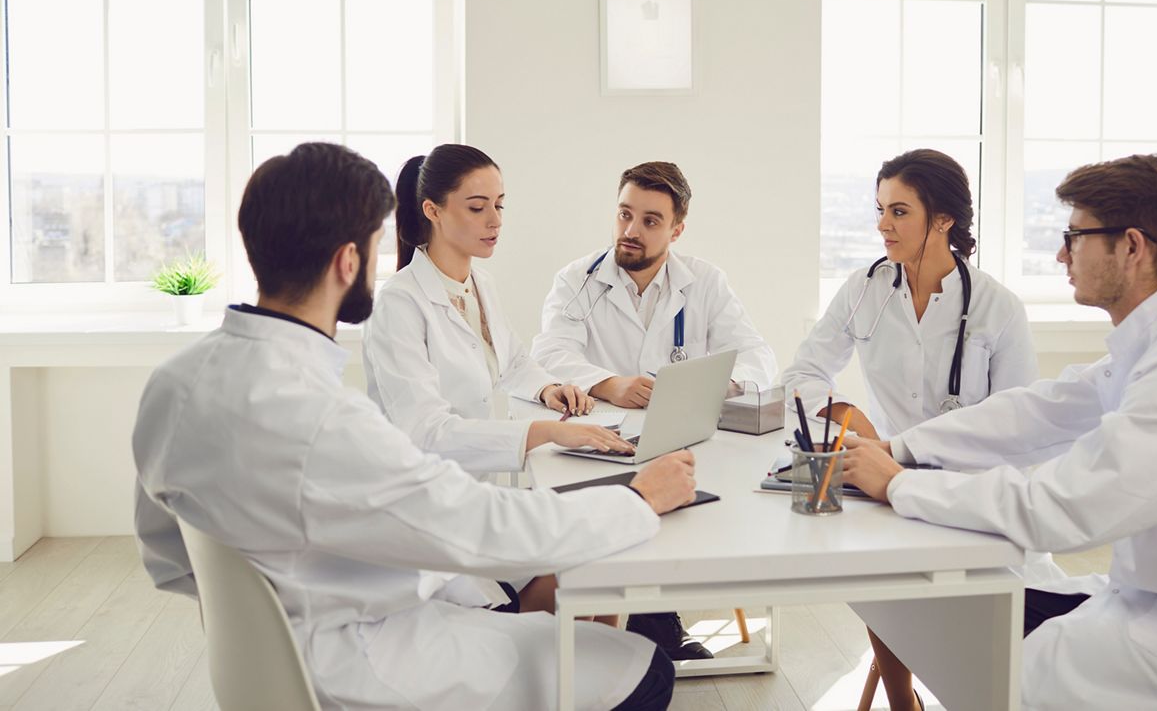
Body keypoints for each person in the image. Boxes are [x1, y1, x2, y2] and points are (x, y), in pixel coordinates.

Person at [134, 142, 699, 710]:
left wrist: (280, 606)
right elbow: (475, 524)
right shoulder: (330, 419)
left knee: (581, 600)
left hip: (277, 663)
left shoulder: (174, 383)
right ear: (347, 262)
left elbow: (166, 558)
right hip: (368, 664)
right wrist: (637, 498)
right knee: (646, 667)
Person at [843, 154, 1157, 710]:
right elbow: (1044, 409)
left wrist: (898, 484)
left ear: (1132, 247)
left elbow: (1059, 509)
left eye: (1074, 237)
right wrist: (899, 448)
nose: (1060, 253)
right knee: (939, 607)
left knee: (1007, 676)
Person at [782, 148, 1063, 711]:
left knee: (963, 601)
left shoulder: (995, 308)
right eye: (880, 209)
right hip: (885, 479)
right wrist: (850, 418)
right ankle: (900, 700)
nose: (883, 225)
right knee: (872, 568)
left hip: (971, 490)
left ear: (943, 220)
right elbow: (801, 375)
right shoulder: (864, 288)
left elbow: (1019, 424)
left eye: (899, 211)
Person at [363, 143, 637, 615]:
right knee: (579, 564)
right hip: (428, 516)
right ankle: (555, 663)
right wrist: (546, 431)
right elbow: (426, 431)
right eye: (477, 207)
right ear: (433, 211)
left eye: (499, 205)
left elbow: (511, 363)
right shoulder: (399, 304)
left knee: (595, 553)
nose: (495, 220)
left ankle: (590, 665)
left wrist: (548, 389)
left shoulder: (479, 285)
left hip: (477, 498)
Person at [532, 160, 778, 659]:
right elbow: (550, 351)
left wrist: (717, 386)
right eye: (625, 215)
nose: (631, 231)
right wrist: (609, 383)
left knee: (707, 498)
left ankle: (652, 625)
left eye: (649, 221)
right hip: (603, 443)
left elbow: (759, 356)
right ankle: (646, 631)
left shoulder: (706, 282)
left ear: (676, 228)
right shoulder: (577, 279)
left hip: (682, 440)